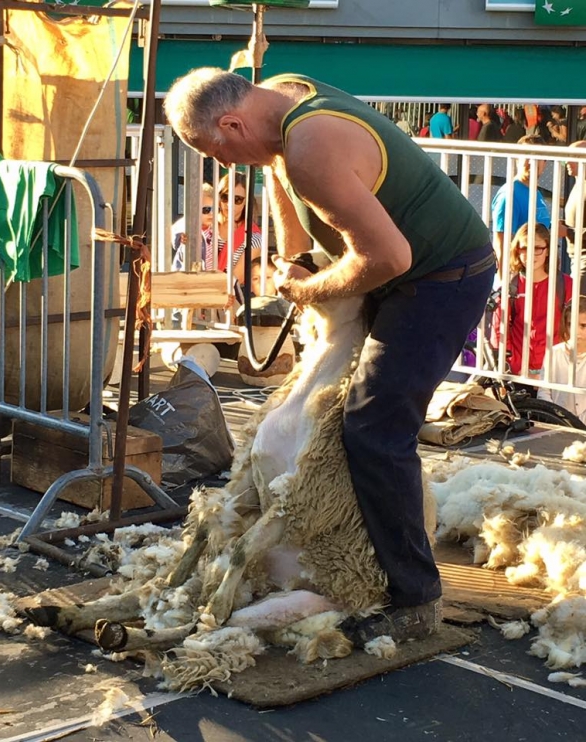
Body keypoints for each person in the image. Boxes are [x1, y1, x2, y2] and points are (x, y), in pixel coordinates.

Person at [164, 67, 495, 645]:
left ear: (233, 120)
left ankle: (413, 597)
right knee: (335, 418)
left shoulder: (311, 145)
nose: (223, 166)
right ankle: (351, 539)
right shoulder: (282, 96)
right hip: (408, 267)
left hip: (439, 277)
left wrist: (305, 290)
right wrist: (301, 254)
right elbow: (275, 170)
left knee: (373, 425)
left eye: (215, 150)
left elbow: (388, 256)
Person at [492, 223, 571, 380]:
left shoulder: (566, 285)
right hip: (518, 373)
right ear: (517, 250)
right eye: (525, 248)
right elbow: (499, 330)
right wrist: (516, 368)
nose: (531, 254)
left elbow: (575, 330)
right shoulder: (511, 286)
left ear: (548, 250)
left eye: (537, 248)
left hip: (556, 373)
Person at [491, 134, 551, 270]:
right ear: (517, 160)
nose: (532, 162)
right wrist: (504, 285)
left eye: (538, 157)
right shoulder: (510, 194)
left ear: (545, 162)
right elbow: (501, 244)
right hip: (518, 279)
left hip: (536, 276)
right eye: (527, 156)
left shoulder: (535, 192)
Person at [204, 171, 262, 287]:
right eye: (225, 197)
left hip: (228, 298)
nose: (230, 204)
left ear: (246, 201)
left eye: (237, 199)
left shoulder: (253, 238)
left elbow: (234, 281)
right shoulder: (205, 222)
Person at [537, 295, 586, 424]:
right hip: (558, 422)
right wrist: (557, 417)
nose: (577, 332)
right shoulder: (555, 352)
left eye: (583, 326)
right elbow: (544, 392)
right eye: (571, 324)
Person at [172, 182, 215, 272]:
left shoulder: (214, 228)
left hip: (208, 275)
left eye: (215, 209)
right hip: (188, 275)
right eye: (206, 210)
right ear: (194, 209)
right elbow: (178, 229)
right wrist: (182, 236)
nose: (211, 213)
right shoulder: (189, 226)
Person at [563, 140, 586, 282]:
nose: (567, 161)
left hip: (584, 261)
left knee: (578, 303)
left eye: (573, 156)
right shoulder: (578, 183)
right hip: (576, 259)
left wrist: (567, 231)